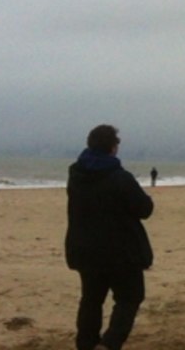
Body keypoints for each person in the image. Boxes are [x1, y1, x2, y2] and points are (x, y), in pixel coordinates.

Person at [65, 124, 154, 350]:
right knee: (130, 297)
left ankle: (86, 344)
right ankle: (109, 343)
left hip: (85, 248)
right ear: (113, 148)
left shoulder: (76, 175)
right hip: (120, 252)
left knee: (91, 300)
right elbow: (144, 208)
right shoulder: (120, 178)